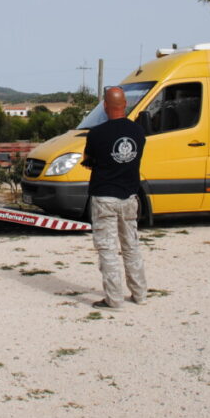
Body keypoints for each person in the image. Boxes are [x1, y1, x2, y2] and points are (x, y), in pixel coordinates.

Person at [82, 86, 147, 310]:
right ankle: (139, 294)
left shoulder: (96, 134)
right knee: (131, 246)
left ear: (105, 106)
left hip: (104, 198)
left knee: (108, 249)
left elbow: (88, 160)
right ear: (125, 105)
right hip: (129, 197)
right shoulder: (138, 132)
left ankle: (114, 299)